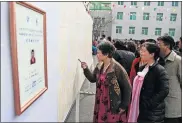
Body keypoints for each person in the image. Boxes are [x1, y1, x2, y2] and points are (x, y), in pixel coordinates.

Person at [80, 41, 132, 122]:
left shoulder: (117, 68)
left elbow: (127, 88)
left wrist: (123, 106)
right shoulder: (100, 65)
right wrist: (85, 69)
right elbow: (93, 79)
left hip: (112, 103)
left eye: (98, 53)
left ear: (106, 54)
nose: (96, 54)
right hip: (100, 101)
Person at [128, 42, 169, 123]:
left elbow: (164, 91)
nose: (141, 53)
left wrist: (148, 104)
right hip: (139, 108)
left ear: (152, 54)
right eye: (140, 50)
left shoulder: (159, 70)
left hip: (151, 113)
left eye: (143, 51)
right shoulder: (141, 68)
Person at [157, 36, 182, 123]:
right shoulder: (159, 60)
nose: (157, 47)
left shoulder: (178, 61)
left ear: (167, 46)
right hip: (160, 107)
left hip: (173, 107)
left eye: (159, 44)